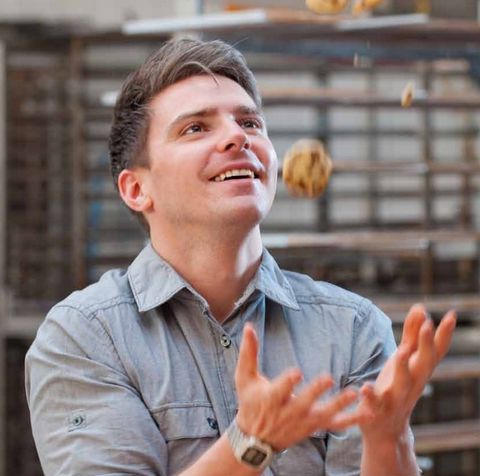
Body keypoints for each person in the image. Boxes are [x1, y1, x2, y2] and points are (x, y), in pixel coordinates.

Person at [25, 37, 456, 476]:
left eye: (249, 122)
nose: (237, 136)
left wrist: (388, 439)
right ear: (137, 189)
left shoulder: (352, 328)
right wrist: (250, 444)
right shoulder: (85, 338)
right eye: (196, 128)